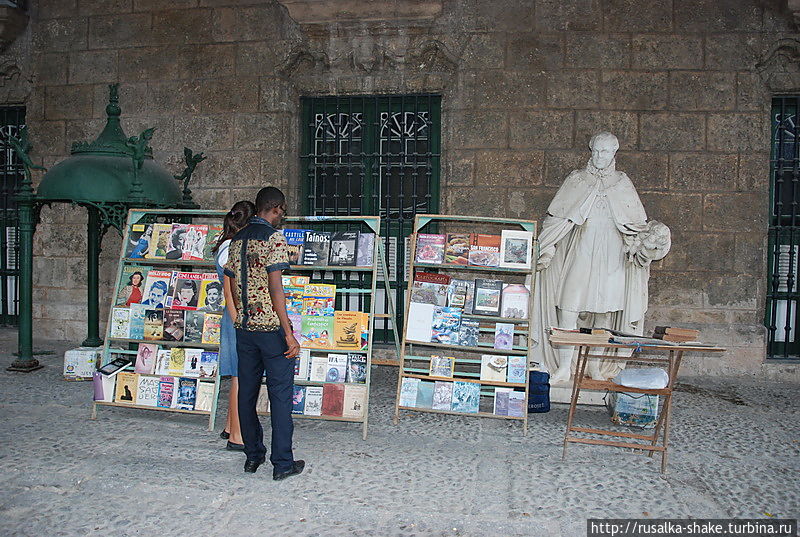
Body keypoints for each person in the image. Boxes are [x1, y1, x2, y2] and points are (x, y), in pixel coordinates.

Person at [532, 132, 670, 384]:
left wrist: (647, 243)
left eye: (604, 152)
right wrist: (548, 246)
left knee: (603, 313)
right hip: (581, 251)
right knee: (568, 306)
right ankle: (564, 367)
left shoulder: (622, 183)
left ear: (614, 153)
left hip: (612, 255)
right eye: (595, 151)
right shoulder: (577, 179)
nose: (599, 156)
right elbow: (557, 219)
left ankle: (594, 367)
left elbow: (636, 225)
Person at [223, 187, 304, 479]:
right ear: (277, 208)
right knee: (281, 396)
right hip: (270, 328)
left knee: (247, 392)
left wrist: (241, 315)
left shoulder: (236, 239)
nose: (282, 216)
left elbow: (231, 284)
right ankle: (283, 464)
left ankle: (253, 456)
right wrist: (288, 332)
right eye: (282, 211)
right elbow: (275, 288)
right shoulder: (274, 238)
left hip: (245, 329)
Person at [213, 201, 256, 451]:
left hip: (232, 315)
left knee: (237, 374)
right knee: (241, 375)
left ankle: (231, 425)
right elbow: (235, 292)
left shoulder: (226, 246)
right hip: (237, 316)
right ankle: (237, 436)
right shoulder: (234, 250)